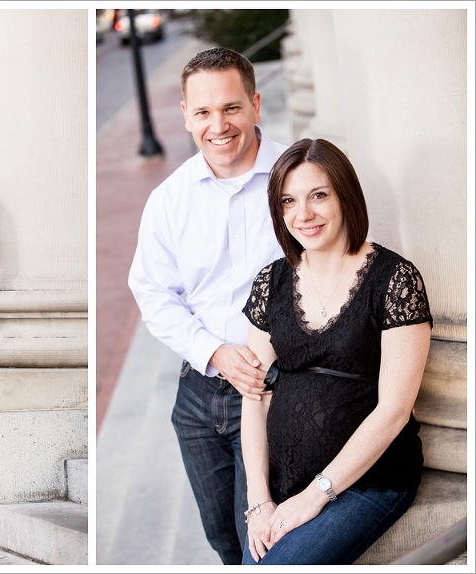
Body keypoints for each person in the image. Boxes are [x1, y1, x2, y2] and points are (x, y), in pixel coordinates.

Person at [128, 47, 288, 564]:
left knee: (262, 544)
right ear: (185, 116)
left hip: (277, 391)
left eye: (231, 108)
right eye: (203, 112)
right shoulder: (169, 200)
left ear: (256, 104)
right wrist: (215, 351)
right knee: (223, 539)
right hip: (197, 397)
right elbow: (153, 292)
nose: (218, 125)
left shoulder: (297, 182)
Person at [240, 138, 431, 564]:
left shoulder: (395, 279)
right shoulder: (270, 283)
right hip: (277, 480)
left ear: (346, 195)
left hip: (367, 482)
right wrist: (258, 501)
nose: (302, 214)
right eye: (288, 201)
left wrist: (316, 495)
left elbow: (395, 410)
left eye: (318, 195)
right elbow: (255, 397)